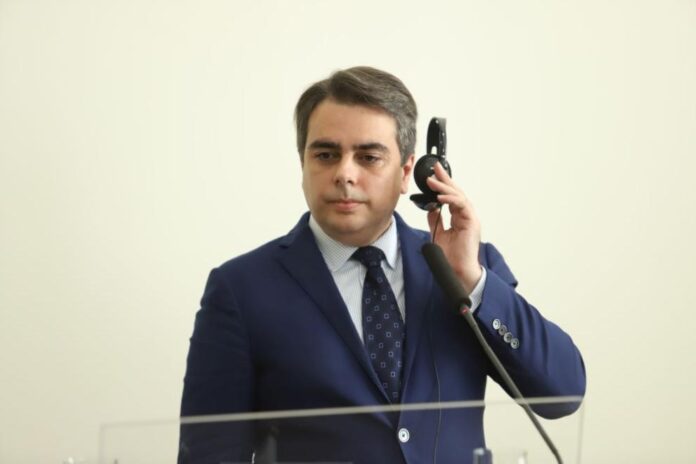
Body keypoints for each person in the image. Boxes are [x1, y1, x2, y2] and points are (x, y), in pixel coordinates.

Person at [179, 66, 586, 464]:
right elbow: (209, 453)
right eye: (326, 154)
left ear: (408, 172)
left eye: (369, 157)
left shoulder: (465, 267)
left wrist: (472, 281)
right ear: (302, 163)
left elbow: (562, 393)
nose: (344, 174)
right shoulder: (240, 289)